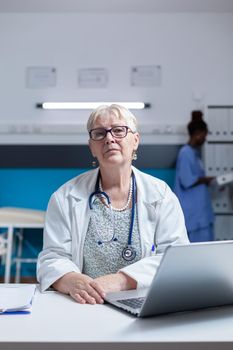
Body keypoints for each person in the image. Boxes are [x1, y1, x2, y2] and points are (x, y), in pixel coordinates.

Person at [37, 104, 189, 304]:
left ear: (135, 140)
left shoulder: (161, 196)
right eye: (99, 134)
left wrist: (121, 281)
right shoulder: (65, 197)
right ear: (91, 146)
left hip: (143, 301)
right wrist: (70, 279)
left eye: (119, 130)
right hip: (84, 302)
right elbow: (52, 257)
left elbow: (175, 258)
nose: (109, 138)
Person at [174, 110, 215, 243]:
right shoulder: (185, 153)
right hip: (194, 215)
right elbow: (187, 180)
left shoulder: (194, 153)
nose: (205, 139)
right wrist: (207, 179)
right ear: (197, 134)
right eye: (204, 135)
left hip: (201, 214)